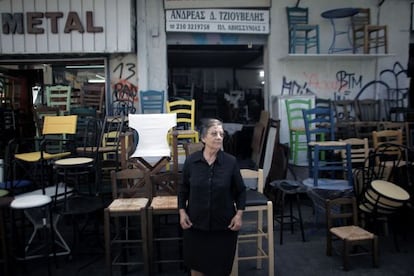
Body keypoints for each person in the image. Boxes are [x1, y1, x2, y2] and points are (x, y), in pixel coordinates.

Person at [178, 118, 246, 276]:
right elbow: (183, 189)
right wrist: (182, 212)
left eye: (221, 134)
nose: (219, 137)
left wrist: (239, 215)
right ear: (203, 138)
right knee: (196, 268)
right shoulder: (191, 162)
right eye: (214, 133)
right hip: (196, 226)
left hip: (223, 227)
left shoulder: (230, 162)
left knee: (220, 270)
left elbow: (241, 191)